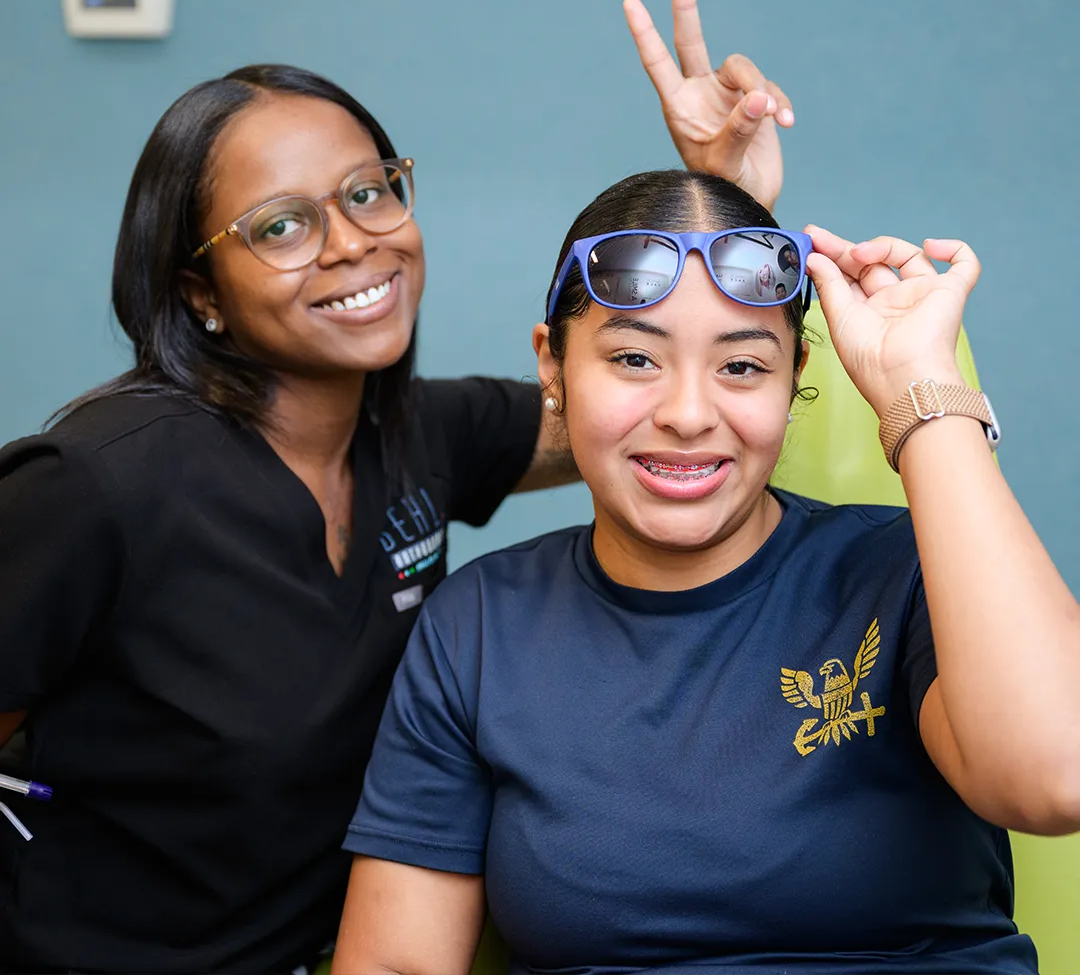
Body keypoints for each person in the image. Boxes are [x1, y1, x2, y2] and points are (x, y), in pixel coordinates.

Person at [0, 0, 794, 974]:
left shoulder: (418, 434)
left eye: (368, 191)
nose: (353, 242)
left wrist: (723, 210)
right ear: (200, 292)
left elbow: (649, 417)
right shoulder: (93, 487)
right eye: (282, 226)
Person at [332, 170, 1080, 974]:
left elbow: (1056, 779)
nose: (688, 415)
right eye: (632, 358)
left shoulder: (907, 571)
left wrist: (921, 392)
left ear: (797, 377)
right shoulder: (478, 625)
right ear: (552, 368)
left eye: (743, 367)